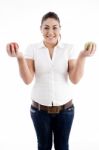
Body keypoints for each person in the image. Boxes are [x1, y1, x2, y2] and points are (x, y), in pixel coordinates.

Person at [6, 12, 96, 150]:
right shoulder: (32, 49)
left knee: (62, 147)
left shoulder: (68, 48)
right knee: (43, 146)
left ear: (60, 28)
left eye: (55, 27)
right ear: (40, 29)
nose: (50, 32)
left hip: (65, 111)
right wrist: (19, 57)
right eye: (46, 27)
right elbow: (28, 79)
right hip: (39, 110)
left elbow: (75, 79)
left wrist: (82, 56)